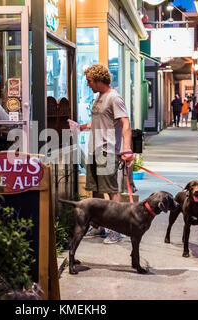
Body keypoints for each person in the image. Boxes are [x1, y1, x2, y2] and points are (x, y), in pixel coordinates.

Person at [77, 64, 134, 244]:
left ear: (99, 80)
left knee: (111, 190)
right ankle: (98, 226)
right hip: (94, 150)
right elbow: (100, 122)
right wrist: (82, 127)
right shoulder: (99, 97)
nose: (87, 84)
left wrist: (126, 148)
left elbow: (125, 124)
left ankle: (117, 230)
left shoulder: (114, 98)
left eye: (89, 81)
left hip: (107, 150)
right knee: (95, 190)